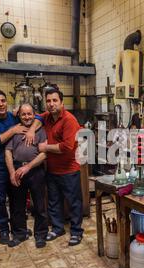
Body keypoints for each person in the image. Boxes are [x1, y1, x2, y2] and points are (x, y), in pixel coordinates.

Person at [0, 90, 42, 245]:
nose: (1, 104)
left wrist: (33, 128)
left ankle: (17, 230)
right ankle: (3, 230)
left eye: (3, 100)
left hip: (14, 165)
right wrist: (13, 130)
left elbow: (38, 117)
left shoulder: (13, 116)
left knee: (16, 200)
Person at [38, 87, 84, 246]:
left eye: (55, 100)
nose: (51, 104)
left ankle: (77, 232)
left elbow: (66, 146)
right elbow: (36, 117)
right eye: (48, 101)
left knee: (73, 202)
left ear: (62, 102)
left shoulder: (69, 120)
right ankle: (58, 228)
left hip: (69, 169)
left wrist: (45, 148)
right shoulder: (47, 117)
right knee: (54, 201)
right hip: (52, 169)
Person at [5, 103, 49, 248]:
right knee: (17, 205)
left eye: (29, 113)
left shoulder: (41, 130)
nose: (27, 117)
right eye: (23, 114)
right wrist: (12, 172)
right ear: (19, 115)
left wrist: (28, 167)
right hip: (17, 170)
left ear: (34, 114)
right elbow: (8, 152)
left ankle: (41, 235)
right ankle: (20, 234)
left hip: (36, 170)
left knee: (40, 205)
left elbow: (44, 153)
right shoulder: (14, 130)